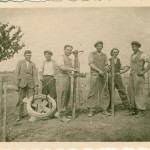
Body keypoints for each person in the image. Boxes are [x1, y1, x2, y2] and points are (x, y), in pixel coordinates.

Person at [87, 41, 110, 117]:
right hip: (94, 74)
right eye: (98, 46)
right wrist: (99, 70)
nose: (99, 47)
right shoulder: (92, 54)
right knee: (92, 92)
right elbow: (91, 64)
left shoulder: (104, 55)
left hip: (103, 75)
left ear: (102, 47)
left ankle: (104, 109)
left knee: (104, 91)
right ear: (95, 47)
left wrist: (106, 68)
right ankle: (91, 110)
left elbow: (106, 64)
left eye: (101, 46)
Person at [55, 45, 78, 121]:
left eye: (70, 50)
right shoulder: (60, 57)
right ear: (64, 49)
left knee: (66, 96)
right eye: (67, 49)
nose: (69, 51)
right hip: (61, 77)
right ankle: (61, 115)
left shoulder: (70, 59)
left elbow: (72, 69)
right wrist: (73, 69)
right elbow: (62, 67)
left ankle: (64, 114)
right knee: (62, 95)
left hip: (67, 78)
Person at [127, 41, 150, 118]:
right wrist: (119, 72)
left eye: (135, 46)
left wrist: (144, 71)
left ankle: (141, 110)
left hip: (139, 76)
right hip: (131, 76)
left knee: (139, 92)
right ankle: (134, 109)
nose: (133, 48)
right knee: (131, 92)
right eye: (132, 46)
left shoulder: (142, 54)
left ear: (138, 47)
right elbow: (128, 67)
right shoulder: (132, 55)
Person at [14, 50, 38, 121]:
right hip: (22, 84)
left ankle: (32, 115)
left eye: (30, 55)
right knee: (21, 100)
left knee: (31, 100)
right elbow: (16, 73)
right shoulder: (20, 62)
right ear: (24, 55)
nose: (29, 56)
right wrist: (16, 84)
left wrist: (36, 84)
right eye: (27, 55)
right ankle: (18, 115)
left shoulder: (33, 64)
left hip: (31, 84)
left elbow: (35, 75)